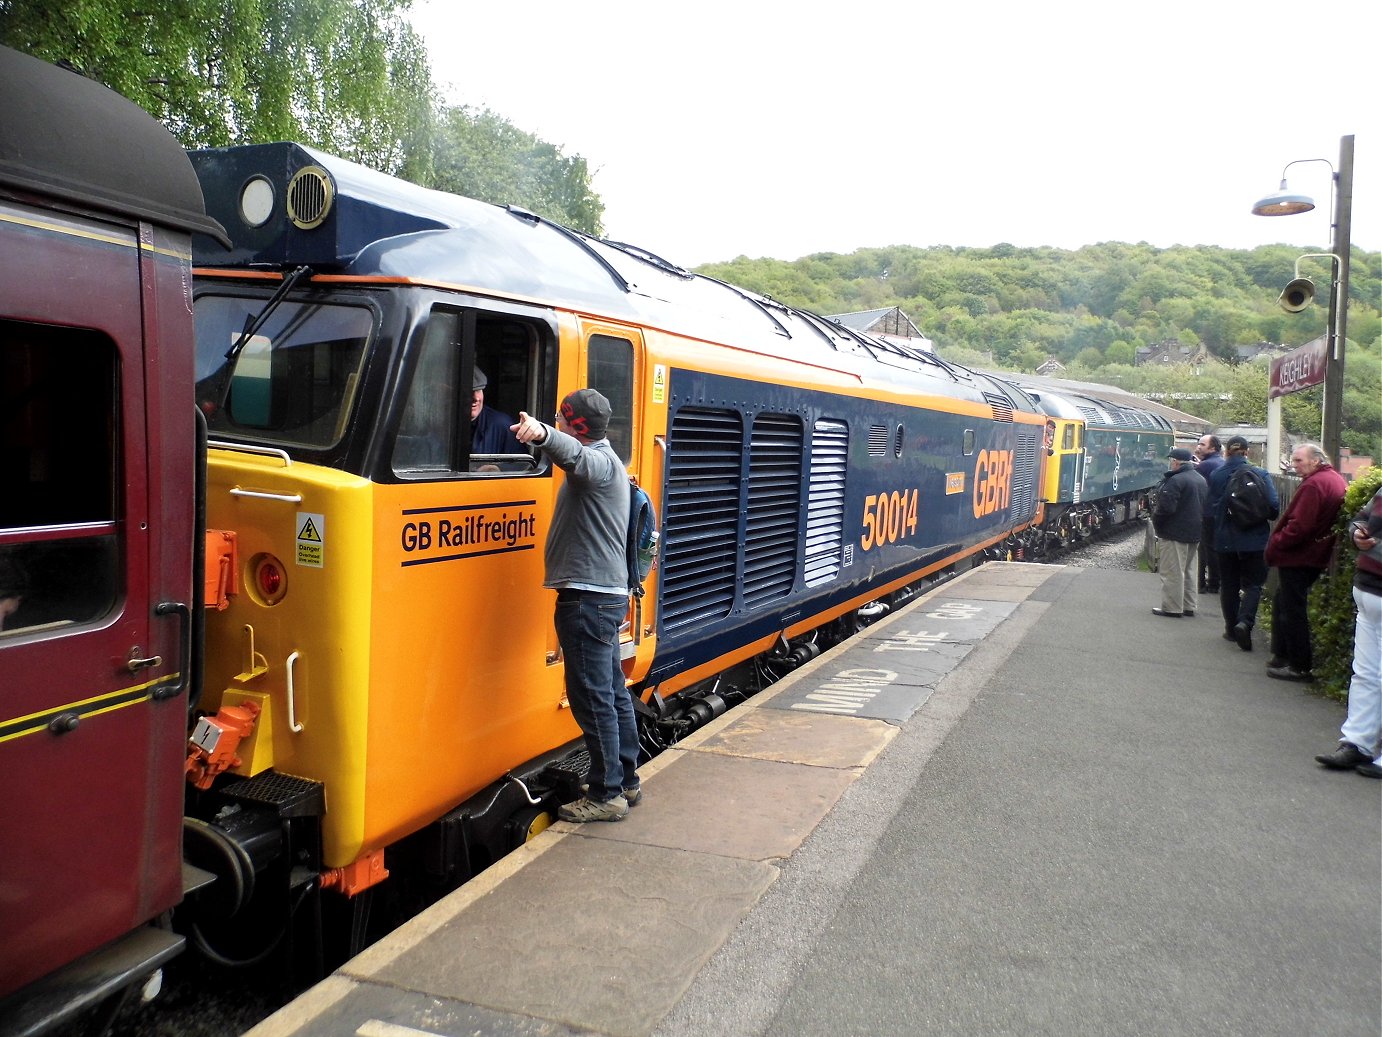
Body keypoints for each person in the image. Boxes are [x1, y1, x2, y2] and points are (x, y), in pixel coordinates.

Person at [511, 390, 641, 822]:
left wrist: (542, 433)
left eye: (561, 417)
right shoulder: (610, 466)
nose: (556, 419)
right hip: (601, 598)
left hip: (588, 600)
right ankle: (626, 780)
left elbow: (574, 456)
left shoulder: (600, 466)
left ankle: (607, 795)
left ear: (573, 424)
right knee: (611, 691)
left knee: (592, 696)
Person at [1314, 484, 1382, 778]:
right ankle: (1357, 743)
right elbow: (1361, 517)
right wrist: (1358, 533)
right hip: (1367, 589)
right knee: (1365, 674)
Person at [1264, 443, 1348, 681]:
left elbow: (1300, 526)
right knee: (1284, 602)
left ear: (1315, 460)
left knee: (1293, 610)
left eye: (1299, 460)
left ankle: (1299, 665)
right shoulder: (1333, 479)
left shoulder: (1314, 485)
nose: (1294, 465)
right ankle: (1282, 655)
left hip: (1301, 555)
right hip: (1313, 553)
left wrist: (1276, 542)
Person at [1207, 435, 1278, 651]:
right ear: (1247, 452)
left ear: (1227, 452)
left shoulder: (1216, 475)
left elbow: (1212, 508)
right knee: (1254, 584)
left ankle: (1230, 629)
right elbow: (1274, 507)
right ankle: (1245, 622)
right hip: (1254, 540)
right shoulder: (1260, 474)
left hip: (1225, 539)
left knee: (1228, 584)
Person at [1151, 447, 1207, 618]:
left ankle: (1172, 607)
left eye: (1171, 461)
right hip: (1195, 531)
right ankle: (1189, 605)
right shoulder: (1200, 479)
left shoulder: (1176, 481)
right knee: (1190, 570)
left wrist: (1157, 522)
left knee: (1172, 571)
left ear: (1175, 462)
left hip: (1174, 532)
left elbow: (1166, 508)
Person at [469, 367, 524, 455]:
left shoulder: (504, 426)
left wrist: (496, 468)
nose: (476, 398)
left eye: (479, 390)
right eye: (470, 391)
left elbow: (522, 466)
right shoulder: (441, 426)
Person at [1194, 434, 1224, 594]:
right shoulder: (1221, 463)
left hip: (1206, 512)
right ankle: (1215, 581)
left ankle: (1201, 583)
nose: (1198, 447)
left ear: (1212, 448)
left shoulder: (1204, 466)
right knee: (1214, 548)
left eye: (1202, 445)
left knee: (1204, 549)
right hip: (1219, 512)